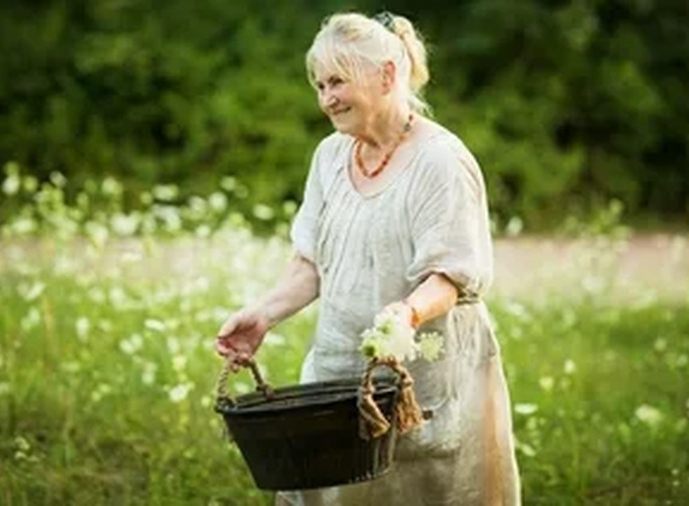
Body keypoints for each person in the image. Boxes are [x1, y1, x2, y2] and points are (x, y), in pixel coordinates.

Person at [215, 11, 521, 506]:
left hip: (423, 380)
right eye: (319, 85)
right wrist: (263, 314)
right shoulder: (329, 157)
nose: (326, 98)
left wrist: (407, 313)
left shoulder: (441, 161)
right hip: (338, 372)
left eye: (337, 81)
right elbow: (311, 264)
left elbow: (451, 275)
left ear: (386, 75)